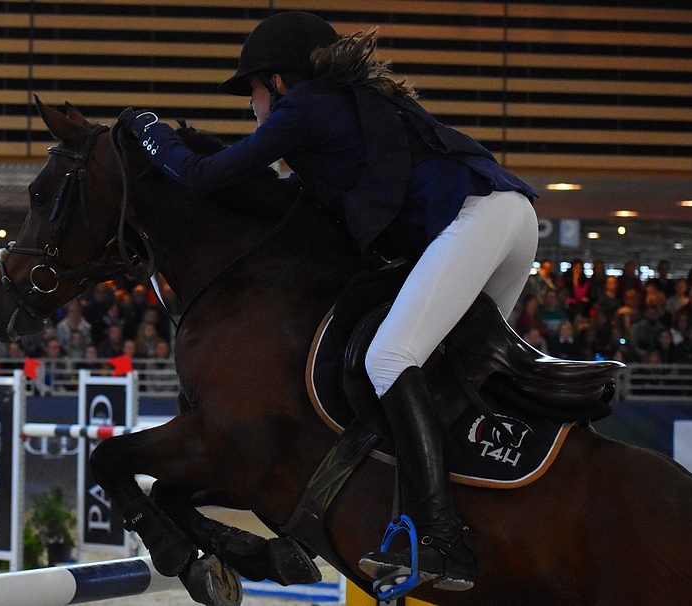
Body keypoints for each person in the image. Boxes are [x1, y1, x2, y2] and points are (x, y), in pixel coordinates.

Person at [118, 11, 540, 592]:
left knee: (389, 359)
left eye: (252, 91)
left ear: (279, 82)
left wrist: (146, 130)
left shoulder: (305, 108)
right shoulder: (340, 112)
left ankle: (444, 542)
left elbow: (203, 174)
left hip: (480, 216)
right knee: (447, 376)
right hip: (508, 219)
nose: (252, 106)